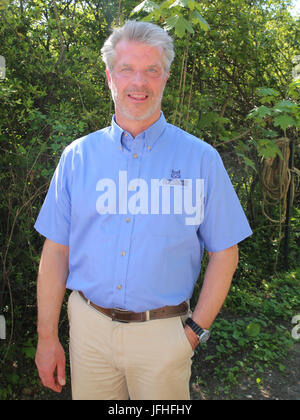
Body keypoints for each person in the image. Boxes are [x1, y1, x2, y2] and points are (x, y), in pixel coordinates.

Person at [34, 20, 252, 400]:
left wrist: (193, 333)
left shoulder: (201, 159)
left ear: (165, 78)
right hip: (89, 332)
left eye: (152, 70)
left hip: (164, 337)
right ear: (109, 77)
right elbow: (56, 252)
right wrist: (47, 336)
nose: (139, 82)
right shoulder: (77, 157)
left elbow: (225, 252)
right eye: (127, 69)